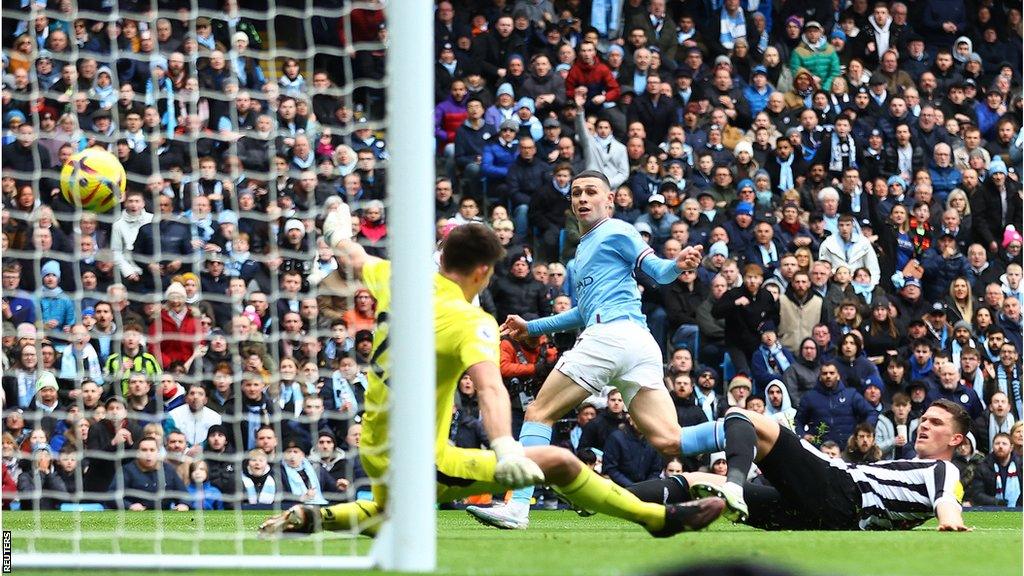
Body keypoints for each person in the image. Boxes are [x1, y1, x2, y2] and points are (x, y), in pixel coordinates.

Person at [259, 205, 721, 539]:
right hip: (422, 460)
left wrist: (336, 225)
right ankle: (658, 520)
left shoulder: (396, 279)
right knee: (559, 462)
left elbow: (352, 255)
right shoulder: (470, 322)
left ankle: (315, 517)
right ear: (482, 272)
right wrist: (504, 447)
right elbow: (490, 391)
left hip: (375, 447)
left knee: (388, 510)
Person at [476, 169, 705, 529]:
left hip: (610, 335)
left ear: (609, 200)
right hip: (638, 343)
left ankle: (517, 507)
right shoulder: (579, 254)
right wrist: (530, 328)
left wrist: (677, 265)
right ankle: (741, 432)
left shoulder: (617, 230)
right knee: (669, 439)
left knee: (537, 413)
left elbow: (659, 272)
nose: (582, 198)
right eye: (576, 193)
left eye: (591, 192)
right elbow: (581, 312)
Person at [629, 399, 973, 532]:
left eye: (937, 423)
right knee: (695, 480)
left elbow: (948, 499)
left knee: (744, 417)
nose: (924, 425)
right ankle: (602, 497)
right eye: (924, 419)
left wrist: (951, 522)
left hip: (839, 490)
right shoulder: (912, 467)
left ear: (957, 441)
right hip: (829, 519)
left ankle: (734, 483)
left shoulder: (943, 470)